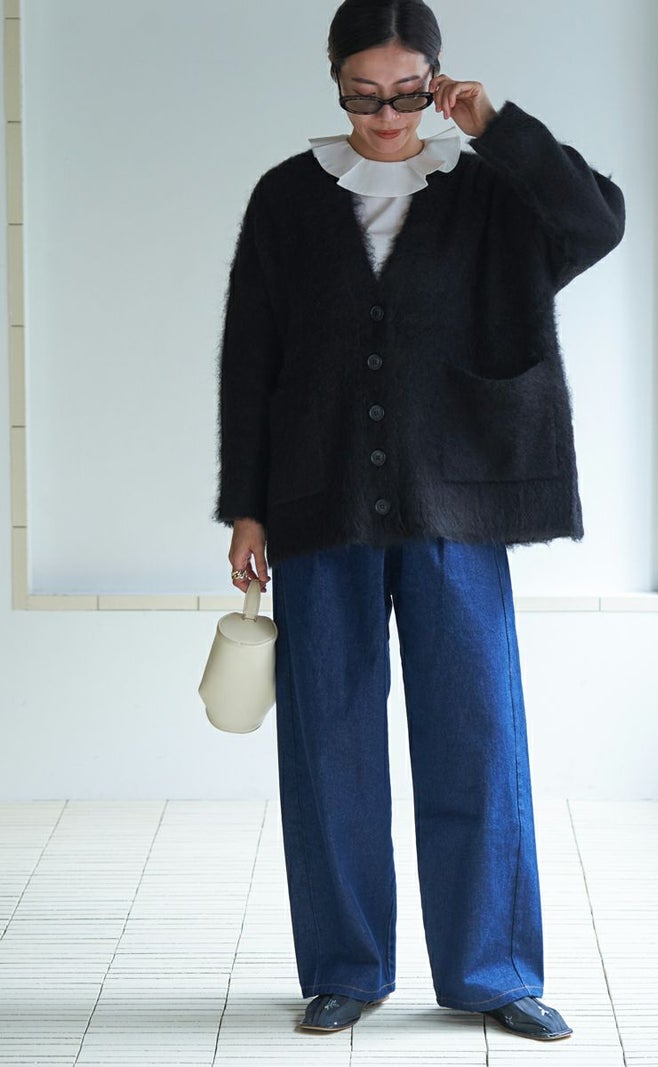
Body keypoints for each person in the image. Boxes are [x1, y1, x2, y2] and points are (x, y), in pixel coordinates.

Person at [214, 0, 625, 1041]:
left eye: (406, 93)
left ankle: (491, 970)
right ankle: (347, 965)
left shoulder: (488, 190)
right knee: (331, 743)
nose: (386, 116)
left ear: (436, 82)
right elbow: (252, 353)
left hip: (458, 503)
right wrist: (248, 505)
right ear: (336, 85)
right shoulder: (286, 197)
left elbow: (594, 223)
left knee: (476, 737)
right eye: (363, 96)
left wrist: (500, 129)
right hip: (319, 502)